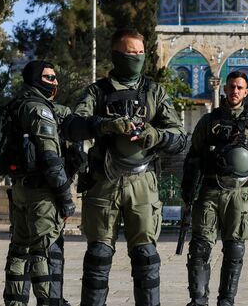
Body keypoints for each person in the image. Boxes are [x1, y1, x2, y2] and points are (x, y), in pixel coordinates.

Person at [2, 60, 131, 306]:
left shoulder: (16, 105)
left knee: (19, 250)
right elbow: (50, 158)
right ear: (35, 79)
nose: (55, 82)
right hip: (42, 194)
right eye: (49, 77)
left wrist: (102, 124)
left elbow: (74, 123)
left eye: (55, 77)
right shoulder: (39, 110)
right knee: (43, 253)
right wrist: (65, 197)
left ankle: (14, 301)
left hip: (20, 189)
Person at [74, 28, 187, 306]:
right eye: (129, 53)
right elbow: (72, 126)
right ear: (116, 55)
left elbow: (180, 138)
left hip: (142, 182)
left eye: (140, 53)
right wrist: (104, 125)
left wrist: (155, 135)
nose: (136, 57)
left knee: (146, 258)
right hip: (104, 181)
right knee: (98, 257)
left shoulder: (155, 92)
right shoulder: (97, 91)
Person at [181, 71, 248, 306]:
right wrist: (187, 191)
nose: (235, 91)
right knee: (200, 247)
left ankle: (226, 300)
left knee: (234, 249)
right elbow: (192, 157)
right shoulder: (208, 121)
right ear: (224, 89)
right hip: (210, 190)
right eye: (231, 87)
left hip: (238, 193)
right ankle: (198, 299)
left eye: (239, 88)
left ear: (246, 92)